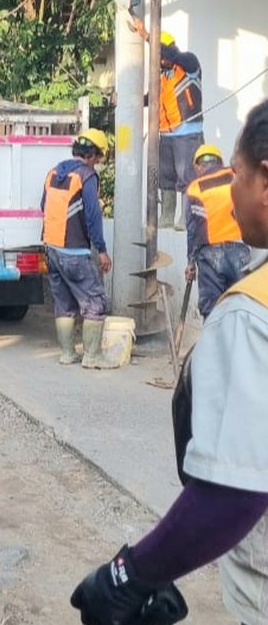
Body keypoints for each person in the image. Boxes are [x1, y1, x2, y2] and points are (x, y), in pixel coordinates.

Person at [70, 99, 268, 625]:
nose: (232, 187)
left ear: (264, 182)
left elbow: (232, 495)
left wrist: (129, 576)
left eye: (240, 175)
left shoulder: (251, 315)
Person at [41, 128, 112, 369]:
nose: (98, 163)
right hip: (75, 252)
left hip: (51, 249)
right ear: (92, 155)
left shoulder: (53, 173)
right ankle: (92, 356)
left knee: (63, 303)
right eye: (99, 158)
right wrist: (101, 250)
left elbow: (44, 205)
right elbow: (93, 217)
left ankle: (67, 353)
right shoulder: (86, 176)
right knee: (95, 302)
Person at [132, 17, 204, 229]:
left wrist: (146, 36)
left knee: (187, 176)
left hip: (187, 131)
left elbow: (173, 55)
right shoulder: (162, 75)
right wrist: (133, 100)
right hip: (166, 132)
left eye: (161, 56)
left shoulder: (189, 63)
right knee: (166, 176)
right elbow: (151, 98)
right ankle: (167, 215)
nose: (160, 62)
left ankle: (186, 216)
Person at [185, 142, 251, 320]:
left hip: (210, 256)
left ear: (198, 166)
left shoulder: (195, 189)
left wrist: (190, 262)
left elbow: (193, 230)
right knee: (244, 307)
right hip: (240, 252)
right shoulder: (236, 176)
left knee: (212, 311)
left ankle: (215, 344)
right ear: (220, 162)